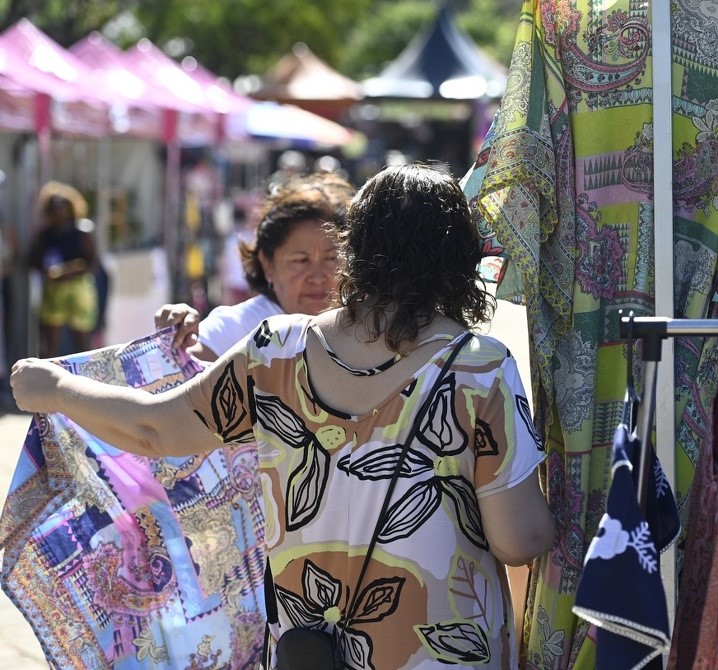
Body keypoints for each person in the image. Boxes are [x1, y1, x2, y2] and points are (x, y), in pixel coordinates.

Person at [12, 164, 556, 669]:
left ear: (355, 251)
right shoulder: (479, 368)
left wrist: (58, 388)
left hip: (309, 653)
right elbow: (519, 540)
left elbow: (155, 428)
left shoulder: (275, 351)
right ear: (459, 260)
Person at [155, 171, 355, 361]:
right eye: (301, 260)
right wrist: (178, 341)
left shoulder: (362, 326)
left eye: (332, 259)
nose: (318, 277)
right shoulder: (241, 328)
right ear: (267, 265)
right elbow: (190, 356)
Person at [28, 182, 99, 358]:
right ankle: (46, 381)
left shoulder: (82, 230)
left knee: (81, 342)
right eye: (53, 207)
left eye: (61, 206)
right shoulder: (45, 234)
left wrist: (72, 270)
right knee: (50, 342)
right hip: (54, 290)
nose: (58, 211)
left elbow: (92, 262)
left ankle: (85, 381)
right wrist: (48, 272)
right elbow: (34, 260)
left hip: (78, 288)